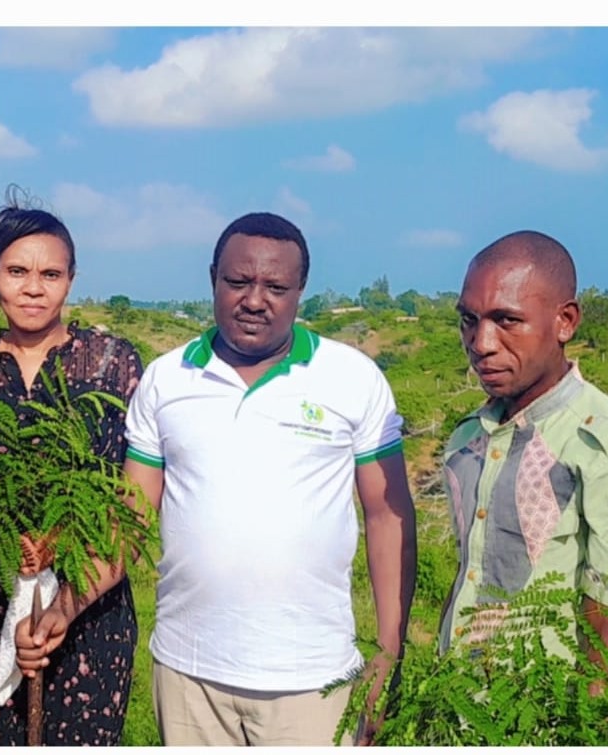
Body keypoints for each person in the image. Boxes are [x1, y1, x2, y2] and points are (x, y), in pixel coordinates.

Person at [121, 211, 418, 746]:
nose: (254, 300)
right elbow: (131, 515)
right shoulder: (166, 379)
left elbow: (386, 514)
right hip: (188, 671)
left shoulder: (352, 379)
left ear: (300, 290)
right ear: (212, 276)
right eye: (237, 281)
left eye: (276, 287)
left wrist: (389, 650)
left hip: (313, 679)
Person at [0, 192, 144, 746]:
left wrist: (60, 542)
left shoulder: (115, 364)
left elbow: (130, 496)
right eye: (17, 271)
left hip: (89, 602)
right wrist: (5, 542)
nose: (33, 287)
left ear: (71, 279)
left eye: (50, 273)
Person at [439, 230, 608, 692]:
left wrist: (588, 731)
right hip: (461, 713)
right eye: (468, 321)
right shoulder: (467, 440)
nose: (481, 342)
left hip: (549, 721)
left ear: (565, 321)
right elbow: (468, 581)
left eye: (506, 321)